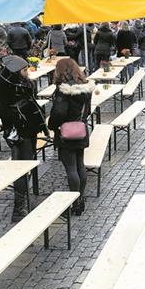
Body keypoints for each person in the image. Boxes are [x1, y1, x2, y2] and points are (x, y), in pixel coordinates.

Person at [0, 55, 48, 221]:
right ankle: (19, 206)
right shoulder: (4, 87)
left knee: (28, 164)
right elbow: (2, 111)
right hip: (18, 132)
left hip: (29, 130)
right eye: (24, 70)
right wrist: (19, 118)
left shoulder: (21, 83)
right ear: (15, 71)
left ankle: (23, 198)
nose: (27, 72)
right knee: (21, 168)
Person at [48, 58, 95, 215]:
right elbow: (87, 111)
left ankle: (75, 202)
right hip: (81, 130)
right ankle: (80, 199)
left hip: (66, 133)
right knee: (80, 165)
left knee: (71, 168)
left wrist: (52, 125)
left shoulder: (63, 90)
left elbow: (59, 113)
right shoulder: (85, 87)